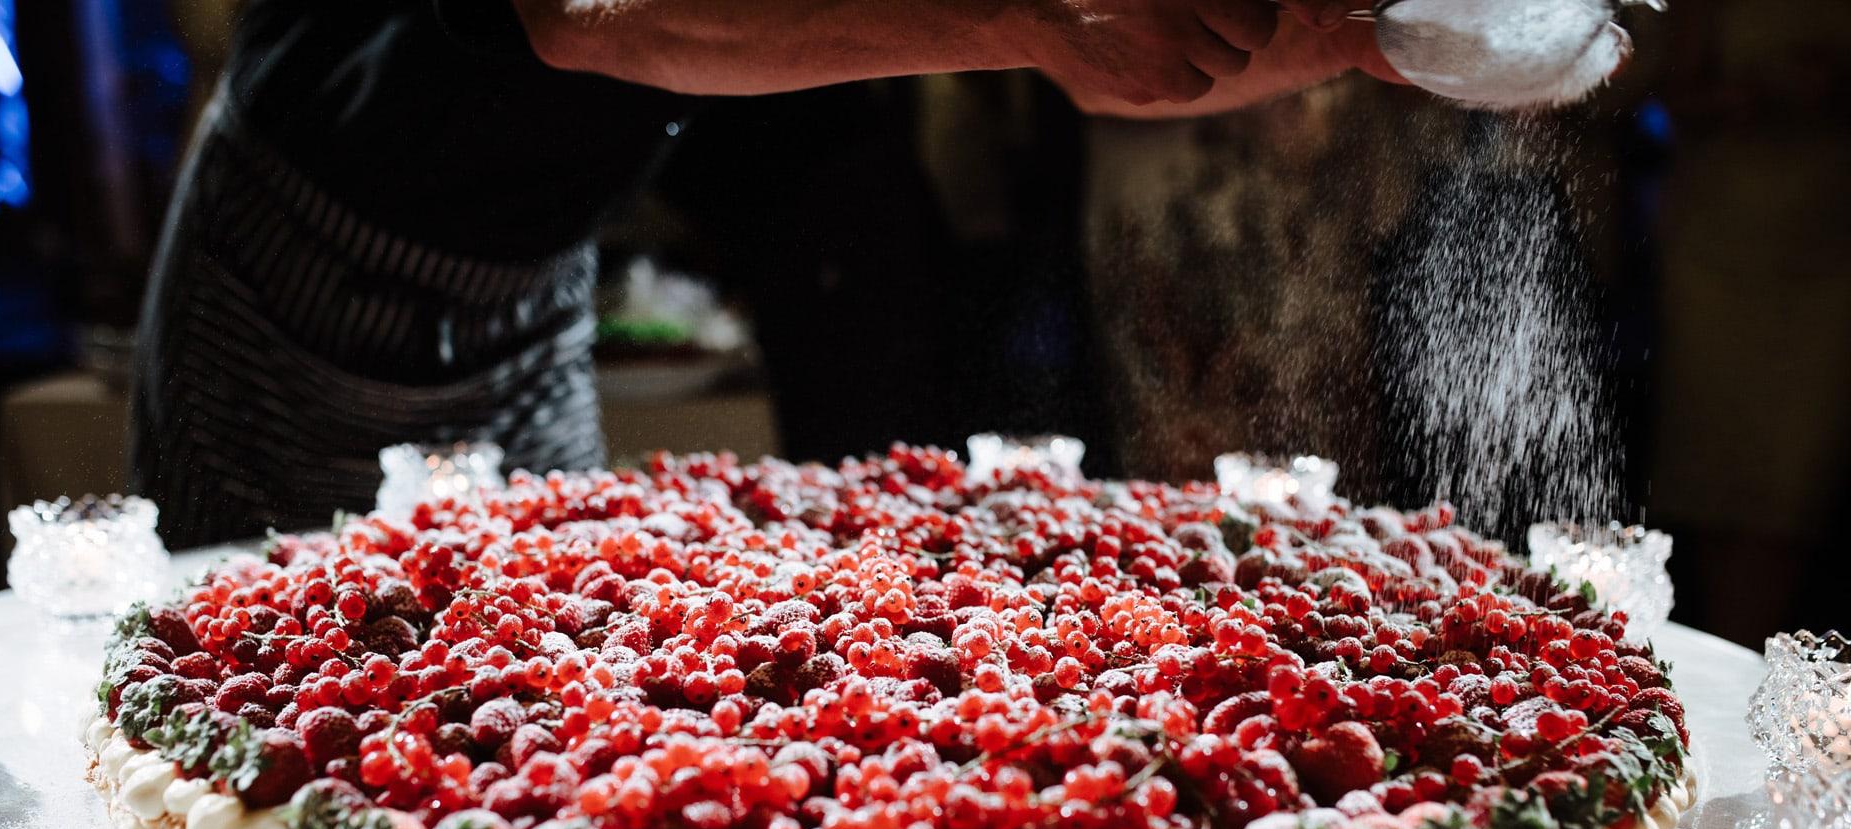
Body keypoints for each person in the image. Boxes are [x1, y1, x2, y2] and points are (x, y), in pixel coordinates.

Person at [130, 0, 1397, 547]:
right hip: (315, 270)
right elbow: (582, 14)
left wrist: (1357, 35)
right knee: (308, 747)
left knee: (521, 716)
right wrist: (1035, 16)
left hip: (531, 278)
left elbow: (1112, 49)